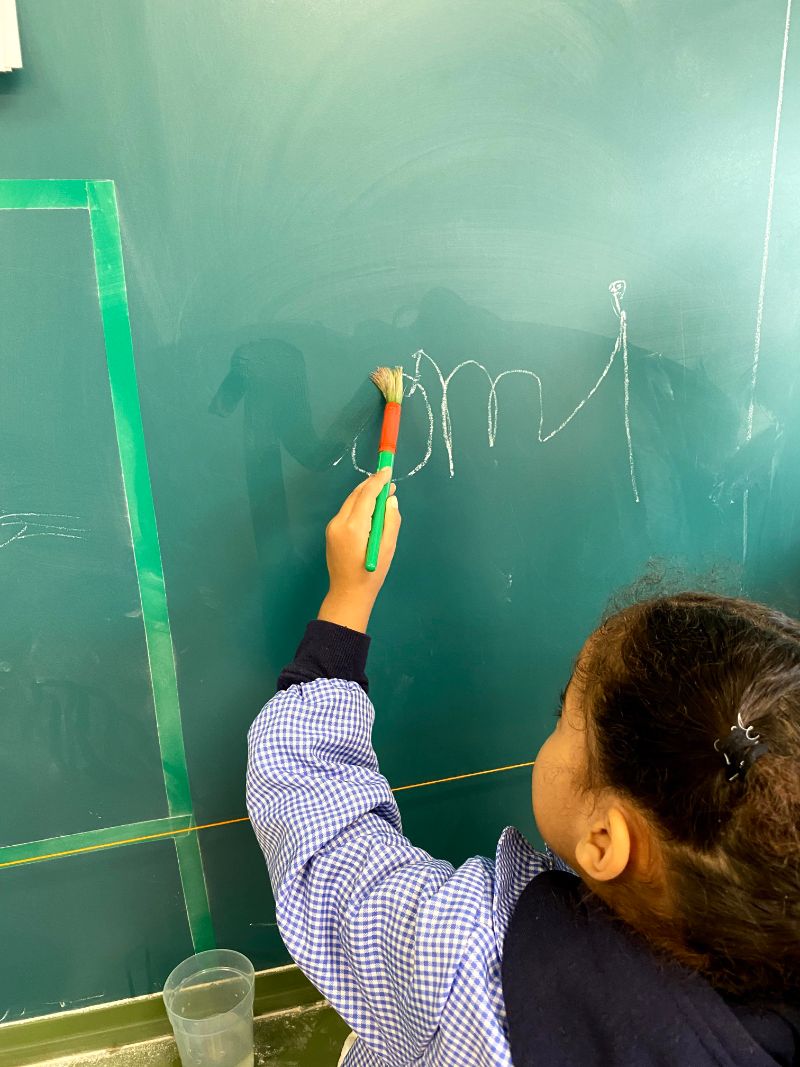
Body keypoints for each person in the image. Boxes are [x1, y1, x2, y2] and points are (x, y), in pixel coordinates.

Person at [247, 468, 800, 1065]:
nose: (554, 721)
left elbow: (320, 833)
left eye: (565, 713)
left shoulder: (470, 971)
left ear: (605, 841)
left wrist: (344, 607)